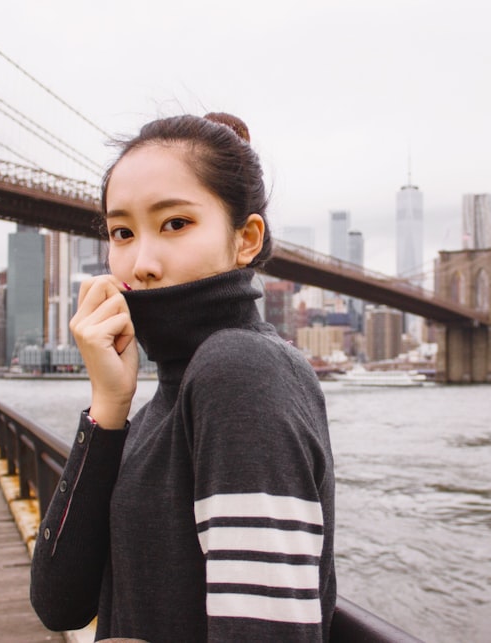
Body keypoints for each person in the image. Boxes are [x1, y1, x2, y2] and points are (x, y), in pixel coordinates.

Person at [30, 113, 336, 642]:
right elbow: (60, 603)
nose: (142, 262)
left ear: (246, 239)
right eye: (121, 232)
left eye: (175, 223)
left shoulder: (241, 371)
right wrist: (108, 403)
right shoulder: (161, 403)